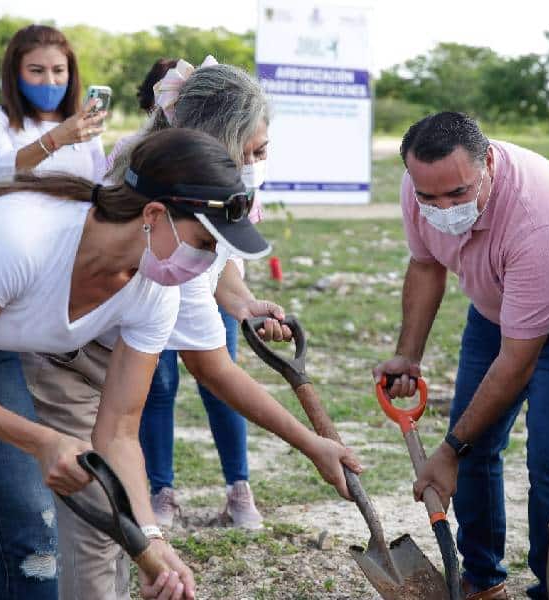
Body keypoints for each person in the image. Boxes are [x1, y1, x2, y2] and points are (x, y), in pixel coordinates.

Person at [19, 58, 361, 600]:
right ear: (214, 146)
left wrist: (153, 543)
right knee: (84, 535)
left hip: (101, 361)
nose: (256, 165)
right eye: (252, 152)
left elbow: (121, 429)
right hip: (60, 359)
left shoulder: (176, 234)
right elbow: (212, 366)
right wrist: (312, 444)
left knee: (120, 529)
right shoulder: (135, 235)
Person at [0, 126, 271, 600]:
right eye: (204, 246)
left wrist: (151, 539)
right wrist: (40, 441)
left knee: (35, 548)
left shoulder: (154, 291)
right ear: (154, 214)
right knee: (27, 530)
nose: (206, 267)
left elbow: (119, 429)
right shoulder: (20, 238)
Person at [373, 112, 549, 600]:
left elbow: (517, 362)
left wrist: (447, 454)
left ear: (488, 162)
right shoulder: (419, 186)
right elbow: (426, 265)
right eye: (429, 197)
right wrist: (408, 355)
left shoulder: (541, 217)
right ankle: (483, 581)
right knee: (476, 443)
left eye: (458, 194)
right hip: (499, 307)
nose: (442, 207)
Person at [110, 57, 272, 529]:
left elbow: (216, 263)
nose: (257, 164)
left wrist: (242, 304)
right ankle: (158, 494)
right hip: (156, 293)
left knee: (215, 381)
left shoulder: (228, 193)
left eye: (263, 152)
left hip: (204, 282)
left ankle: (238, 488)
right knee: (155, 386)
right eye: (253, 152)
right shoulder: (154, 249)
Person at [0, 24, 107, 182]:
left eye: (58, 70)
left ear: (70, 73)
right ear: (15, 74)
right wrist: (56, 138)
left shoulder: (82, 124)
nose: (50, 81)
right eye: (37, 71)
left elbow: (101, 181)